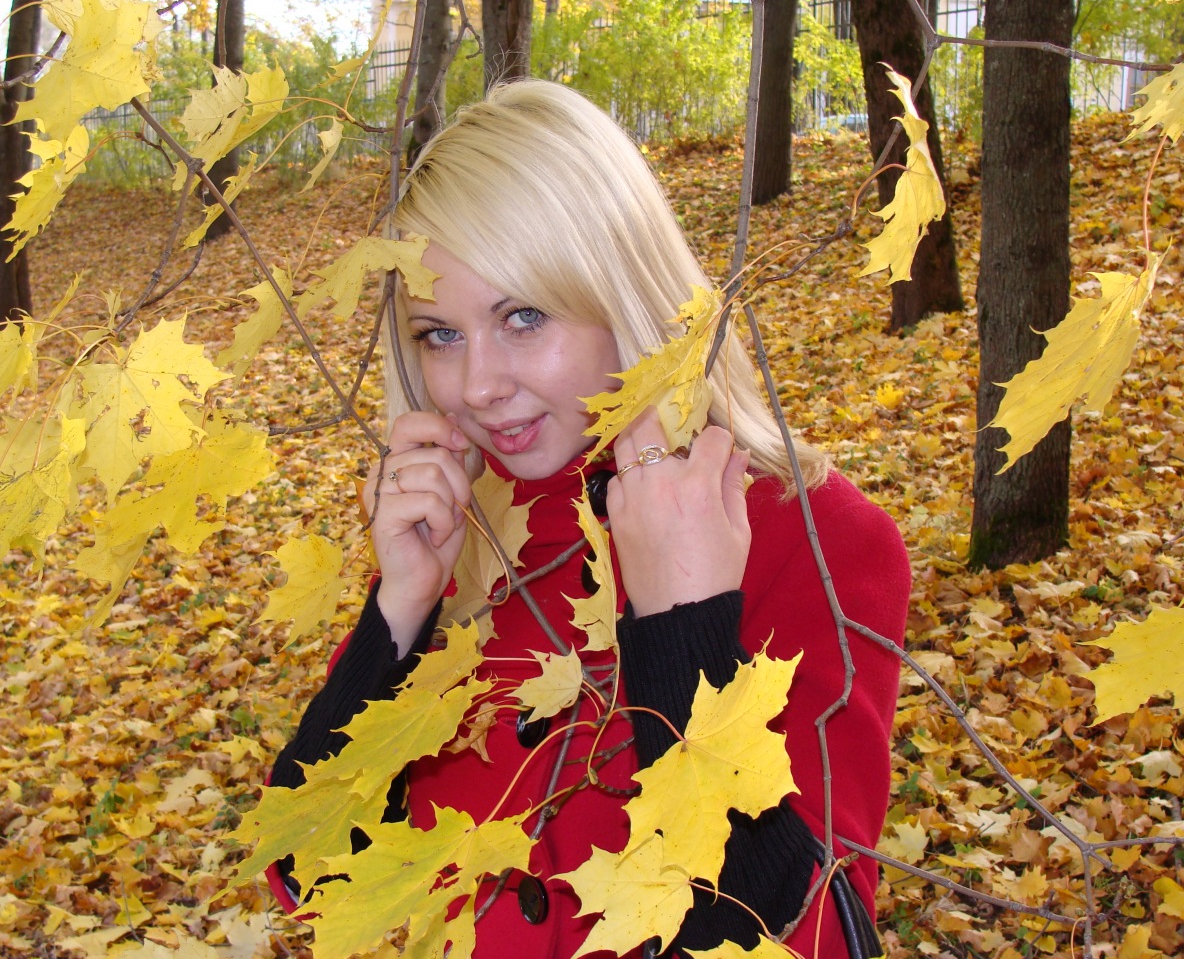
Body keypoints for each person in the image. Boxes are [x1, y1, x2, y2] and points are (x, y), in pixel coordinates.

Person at [264, 79, 910, 959]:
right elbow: (309, 876)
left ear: (623, 294)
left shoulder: (814, 537)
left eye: (523, 317)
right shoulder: (470, 533)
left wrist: (685, 630)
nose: (477, 386)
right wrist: (398, 614)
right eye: (439, 334)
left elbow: (819, 940)